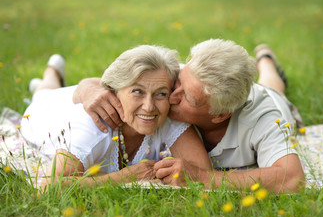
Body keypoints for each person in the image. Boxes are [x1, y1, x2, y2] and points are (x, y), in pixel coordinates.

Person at [74, 39, 305, 193]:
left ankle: (266, 60)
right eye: (178, 82)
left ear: (220, 115)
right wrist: (89, 90)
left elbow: (293, 178)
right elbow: (121, 80)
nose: (171, 96)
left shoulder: (264, 120)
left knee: (273, 88)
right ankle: (264, 60)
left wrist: (203, 178)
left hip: (270, 100)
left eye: (188, 99)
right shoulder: (193, 76)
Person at [21, 45, 211, 190]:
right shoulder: (90, 128)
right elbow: (48, 187)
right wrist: (124, 177)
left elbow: (201, 172)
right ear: (114, 91)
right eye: (137, 91)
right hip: (47, 109)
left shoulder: (166, 115)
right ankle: (51, 73)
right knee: (43, 93)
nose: (149, 106)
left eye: (161, 93)